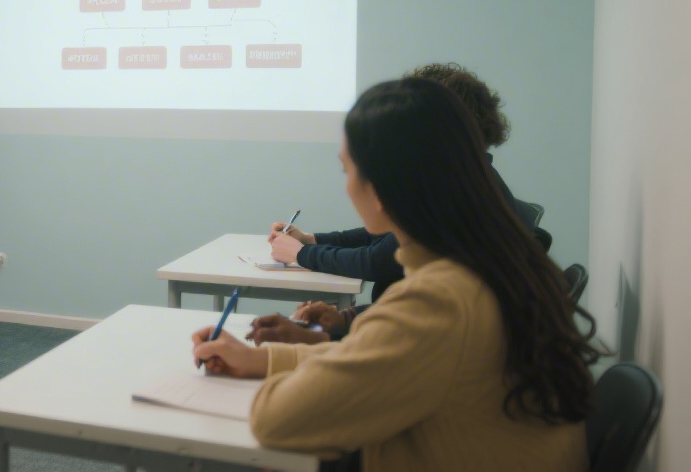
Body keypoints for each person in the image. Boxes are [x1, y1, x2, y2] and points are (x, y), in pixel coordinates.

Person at [191, 78, 596, 471]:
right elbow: (383, 363)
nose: (347, 187)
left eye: (346, 171)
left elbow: (277, 420)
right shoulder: (491, 260)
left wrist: (278, 370)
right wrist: (260, 359)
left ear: (381, 188)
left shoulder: (437, 301)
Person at [264, 63, 549, 342]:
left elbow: (382, 267)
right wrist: (346, 315)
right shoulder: (471, 185)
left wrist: (304, 255)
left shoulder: (450, 201)